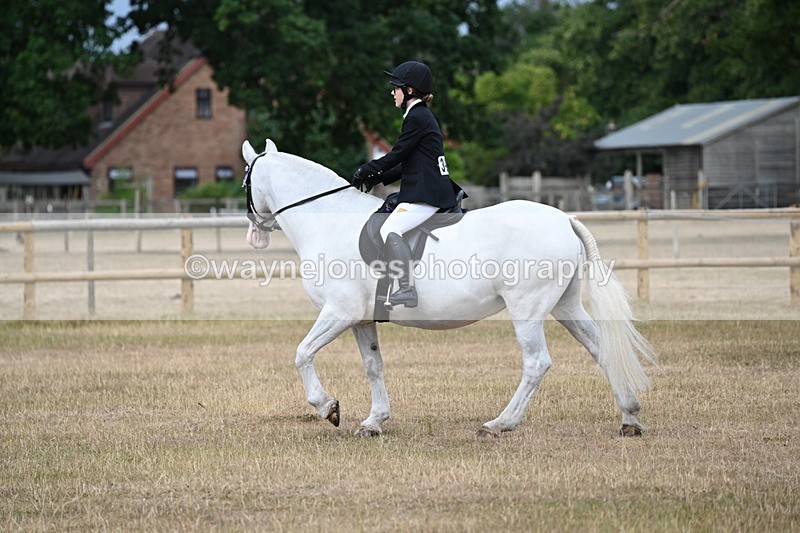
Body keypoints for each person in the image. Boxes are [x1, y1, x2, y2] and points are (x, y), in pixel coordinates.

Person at [352, 60, 464, 309]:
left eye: (396, 87)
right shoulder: (420, 116)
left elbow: (397, 154)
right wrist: (376, 178)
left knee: (389, 230)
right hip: (427, 188)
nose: (392, 92)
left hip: (428, 194)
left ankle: (406, 288)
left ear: (409, 91)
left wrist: (365, 169)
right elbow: (409, 163)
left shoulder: (417, 117)